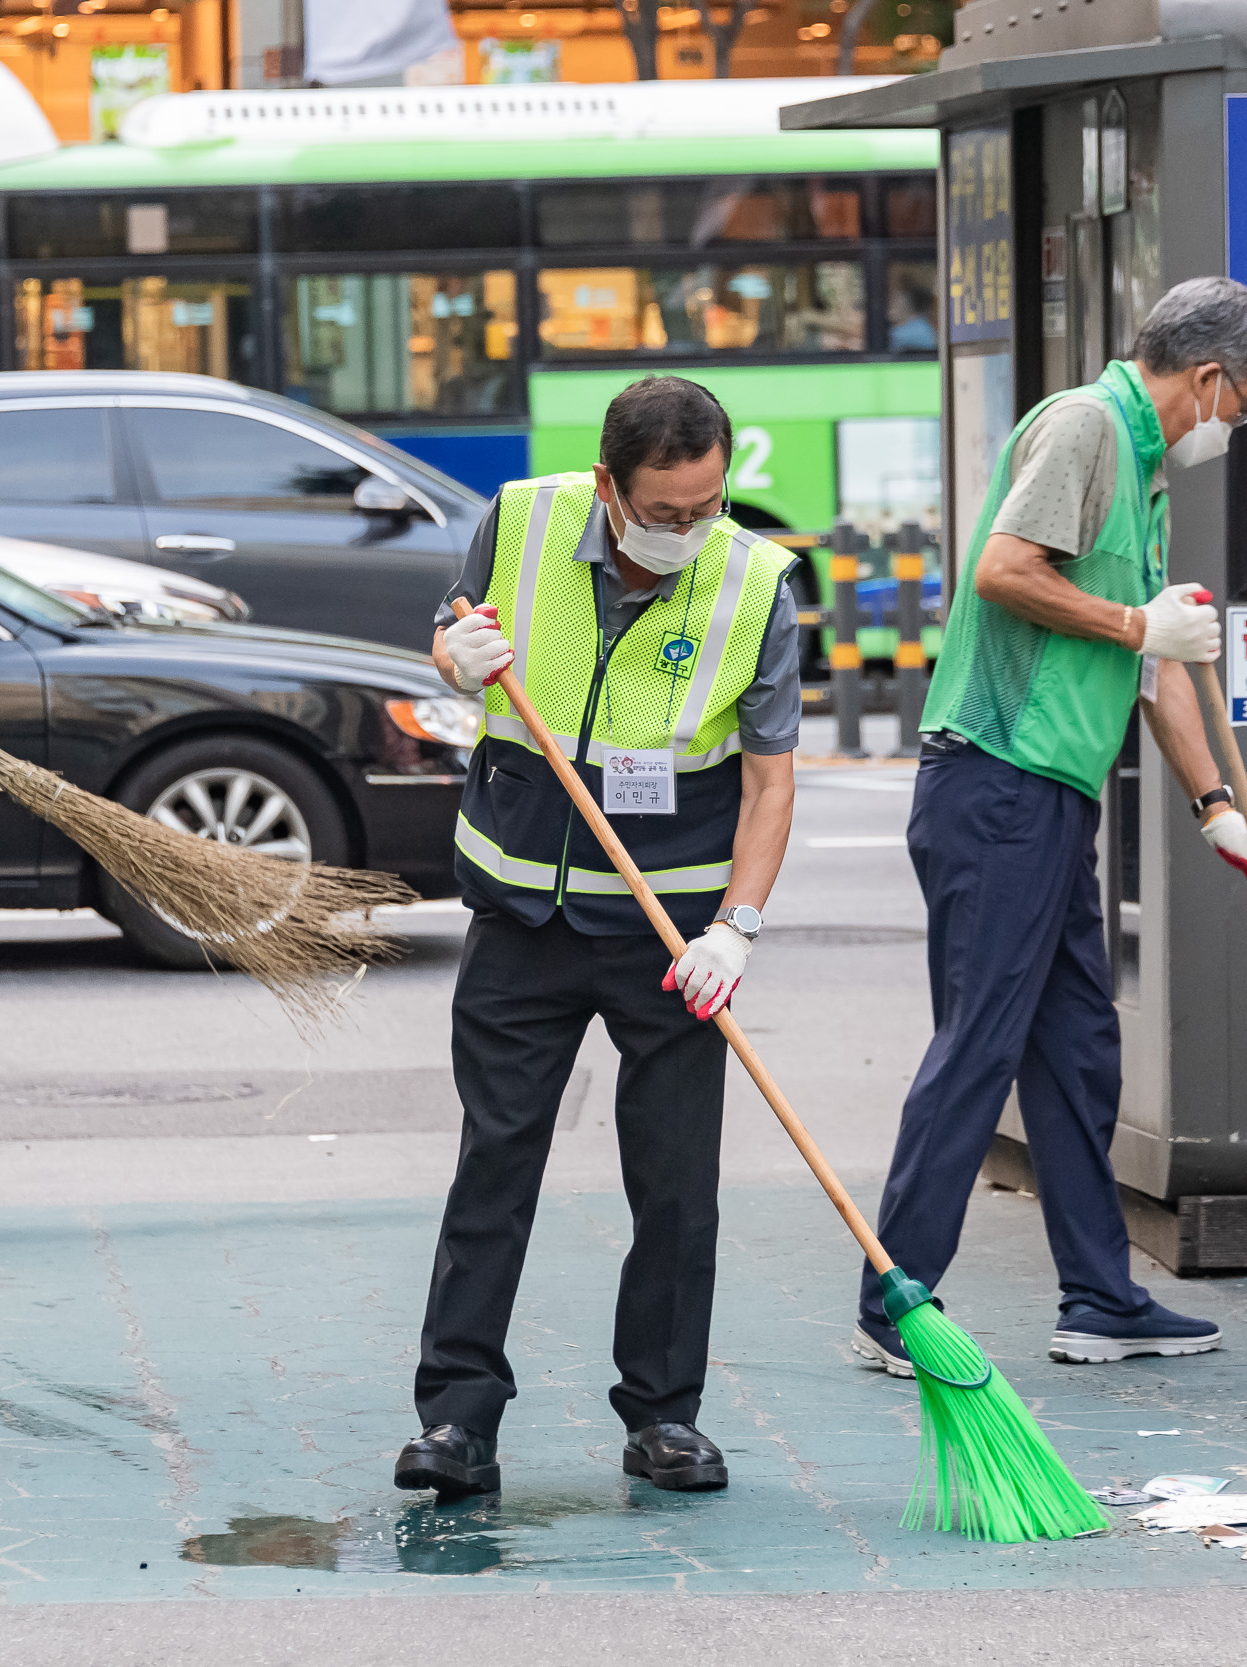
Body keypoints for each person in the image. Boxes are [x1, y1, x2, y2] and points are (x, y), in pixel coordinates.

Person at [851, 277, 1247, 1377]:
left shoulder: (1140, 465)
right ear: (1205, 378)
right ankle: (894, 1296)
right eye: (1239, 403)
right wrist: (1136, 619)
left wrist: (1219, 810)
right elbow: (1004, 571)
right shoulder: (1087, 426)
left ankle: (1099, 1296)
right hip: (995, 779)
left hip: (1046, 794)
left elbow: (1158, 665)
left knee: (1075, 1049)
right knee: (981, 1044)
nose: (1233, 424)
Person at [395, 374, 799, 1502]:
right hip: (522, 914)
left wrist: (736, 929)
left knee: (675, 1184)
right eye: (665, 511)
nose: (689, 530)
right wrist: (453, 657)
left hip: (672, 934)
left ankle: (665, 1414)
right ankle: (456, 1419)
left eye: (709, 505)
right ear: (607, 485)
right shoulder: (520, 519)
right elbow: (454, 625)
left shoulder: (754, 583)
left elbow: (769, 782)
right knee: (496, 1162)